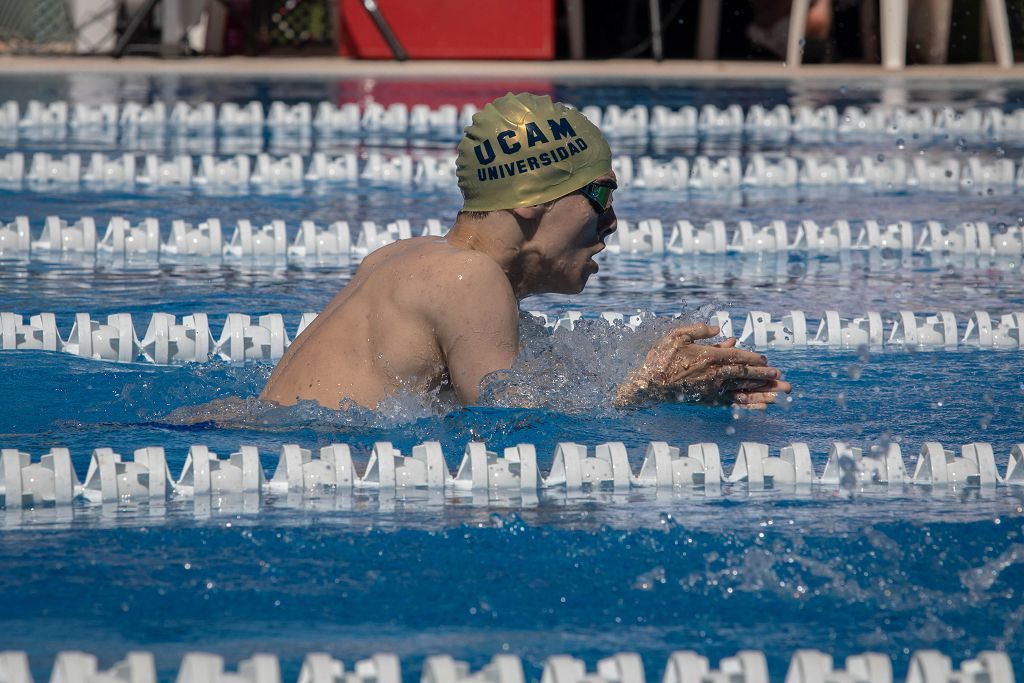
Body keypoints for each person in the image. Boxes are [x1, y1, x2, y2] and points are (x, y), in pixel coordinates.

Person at [259, 93, 791, 411]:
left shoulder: (405, 256)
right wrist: (648, 385)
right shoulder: (468, 279)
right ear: (534, 199)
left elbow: (540, 391)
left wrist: (691, 384)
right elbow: (513, 425)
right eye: (600, 194)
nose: (612, 219)